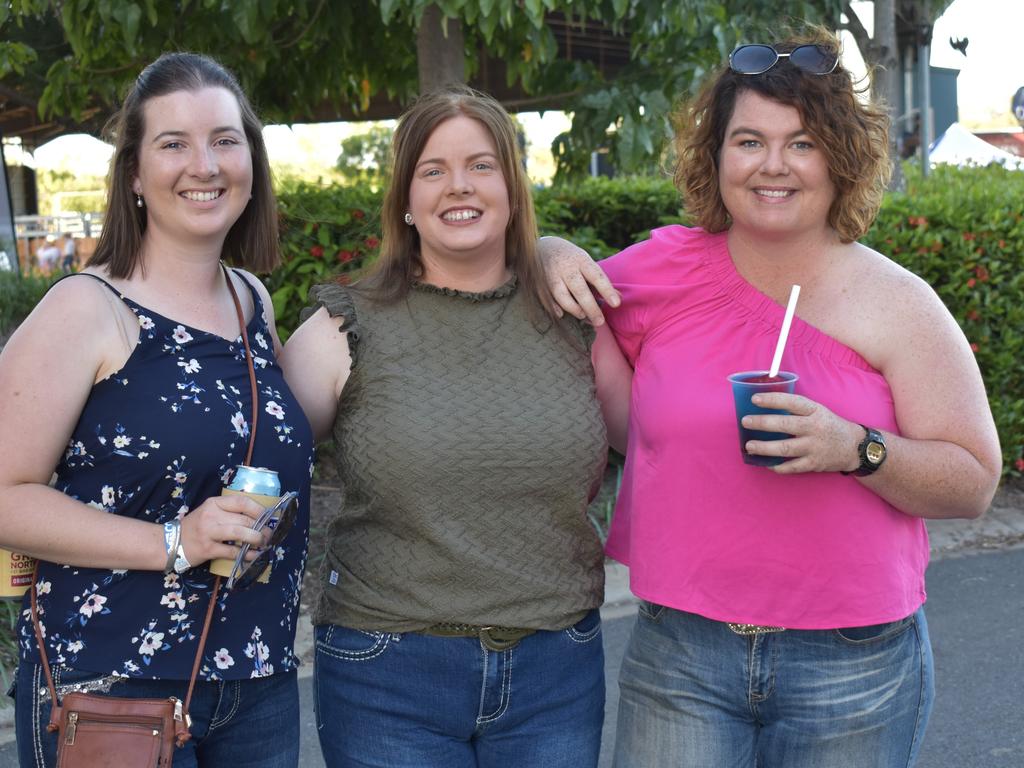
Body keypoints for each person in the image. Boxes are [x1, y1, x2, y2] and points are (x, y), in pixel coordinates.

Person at [550, 28, 1002, 768]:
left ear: (840, 157)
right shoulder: (662, 268)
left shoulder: (898, 303)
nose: (772, 166)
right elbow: (583, 330)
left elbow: (973, 482)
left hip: (852, 663)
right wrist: (549, 251)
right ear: (717, 155)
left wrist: (855, 448)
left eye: (801, 143)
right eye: (749, 141)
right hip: (682, 652)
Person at [281, 85, 608, 768]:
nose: (459, 186)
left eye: (481, 165)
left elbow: (665, 438)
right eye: (433, 170)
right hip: (387, 673)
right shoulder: (345, 325)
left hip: (556, 670)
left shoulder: (574, 317)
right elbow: (246, 459)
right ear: (404, 197)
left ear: (513, 188)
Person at [0, 52, 312, 767]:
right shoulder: (87, 309)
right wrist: (176, 541)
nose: (203, 164)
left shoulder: (251, 302)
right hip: (113, 689)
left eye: (224, 140)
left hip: (256, 682)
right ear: (135, 175)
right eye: (173, 143)